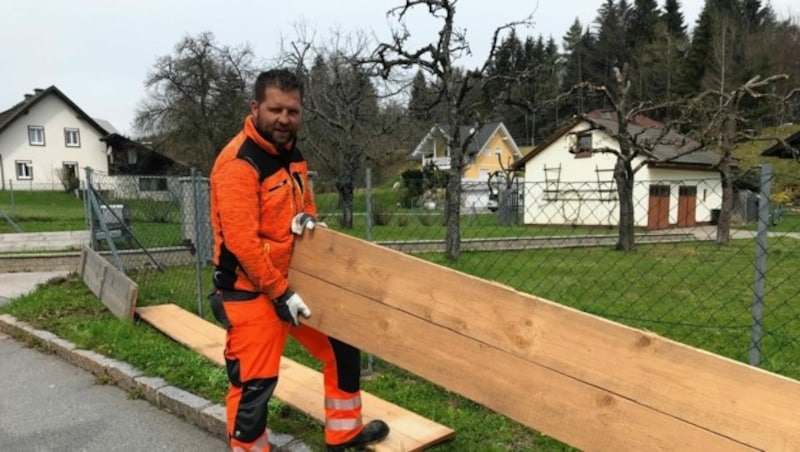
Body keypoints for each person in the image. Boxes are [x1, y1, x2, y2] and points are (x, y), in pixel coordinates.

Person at [208, 68, 389, 452]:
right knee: (254, 384)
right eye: (275, 110)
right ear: (255, 107)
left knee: (341, 347)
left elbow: (301, 198)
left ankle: (343, 433)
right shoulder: (238, 163)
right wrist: (279, 292)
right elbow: (242, 242)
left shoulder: (293, 153)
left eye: (292, 111)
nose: (284, 119)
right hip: (251, 291)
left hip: (294, 284)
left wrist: (306, 217)